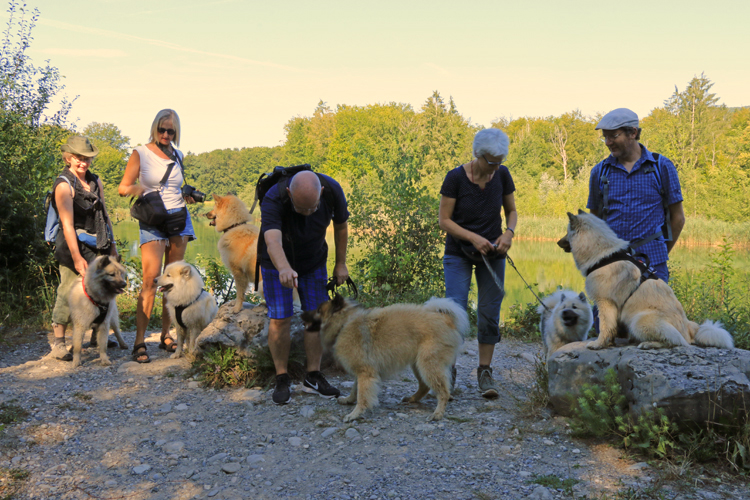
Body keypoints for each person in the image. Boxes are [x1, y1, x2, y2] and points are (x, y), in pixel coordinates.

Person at [438, 128, 517, 399]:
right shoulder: (455, 178)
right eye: (491, 162)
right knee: (455, 311)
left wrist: (508, 233)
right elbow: (444, 220)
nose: (495, 167)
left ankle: (484, 371)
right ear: (477, 155)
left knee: (489, 311)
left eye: (500, 161)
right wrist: (473, 238)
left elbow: (512, 212)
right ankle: (449, 369)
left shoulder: (503, 175)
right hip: (458, 253)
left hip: (493, 255)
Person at [258, 169, 349, 405]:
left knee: (316, 317)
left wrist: (340, 263)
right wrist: (284, 268)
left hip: (313, 259)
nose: (308, 214)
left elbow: (340, 227)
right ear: (289, 193)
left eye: (313, 208)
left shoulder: (333, 191)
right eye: (302, 209)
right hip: (276, 262)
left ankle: (313, 376)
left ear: (322, 192)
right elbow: (272, 240)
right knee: (280, 318)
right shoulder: (273, 197)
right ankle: (281, 377)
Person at [118, 109, 196, 363]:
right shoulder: (140, 152)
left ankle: (165, 335)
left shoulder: (179, 155)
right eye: (161, 129)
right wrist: (139, 188)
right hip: (152, 220)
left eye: (170, 131)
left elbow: (174, 187)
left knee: (172, 282)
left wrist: (188, 196)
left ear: (176, 132)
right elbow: (123, 188)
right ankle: (140, 341)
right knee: (151, 281)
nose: (165, 134)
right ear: (154, 128)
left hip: (178, 220)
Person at [587, 108, 685, 282]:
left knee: (654, 309)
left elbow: (678, 218)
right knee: (603, 311)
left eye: (614, 136)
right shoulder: (599, 172)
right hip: (611, 266)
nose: (608, 142)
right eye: (605, 137)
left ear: (632, 133)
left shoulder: (661, 167)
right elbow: (594, 222)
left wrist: (659, 251)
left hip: (652, 265)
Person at [49, 136, 118, 361]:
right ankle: (59, 343)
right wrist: (77, 257)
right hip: (72, 245)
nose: (83, 162)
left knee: (101, 288)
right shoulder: (63, 185)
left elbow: (105, 215)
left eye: (87, 158)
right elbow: (67, 224)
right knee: (68, 289)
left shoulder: (95, 181)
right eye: (79, 158)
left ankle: (97, 336)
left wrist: (113, 244)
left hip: (98, 242)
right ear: (69, 158)